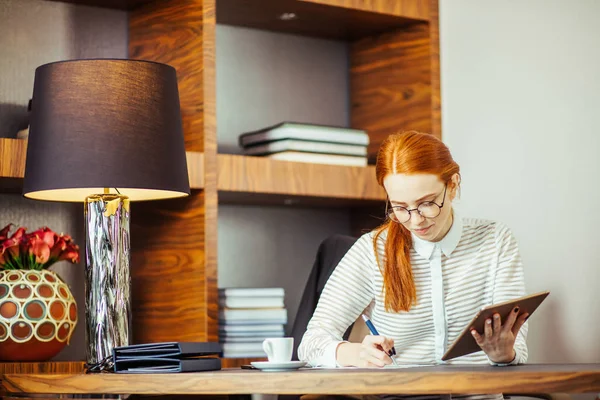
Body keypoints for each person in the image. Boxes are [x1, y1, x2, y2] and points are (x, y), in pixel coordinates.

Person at [297, 131, 529, 400]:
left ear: (452, 185)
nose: (416, 220)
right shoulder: (372, 250)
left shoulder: (495, 241)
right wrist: (355, 353)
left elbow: (518, 352)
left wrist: (503, 354)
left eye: (427, 203)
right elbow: (311, 343)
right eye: (400, 207)